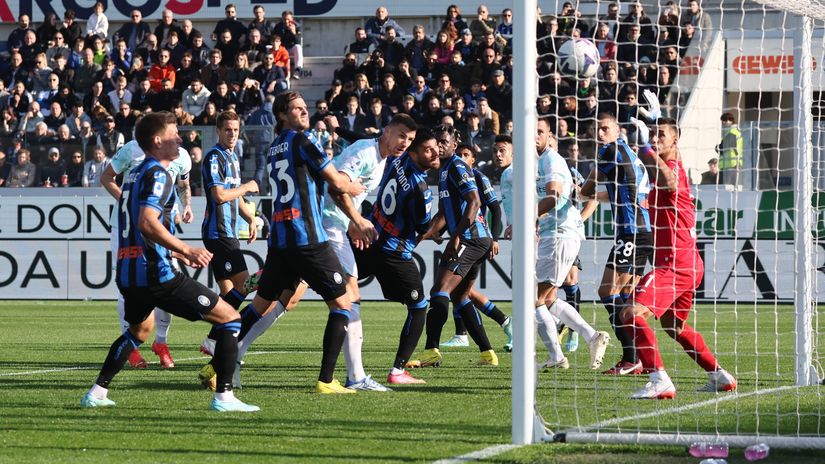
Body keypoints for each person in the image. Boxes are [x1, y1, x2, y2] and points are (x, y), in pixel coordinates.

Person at [80, 111, 258, 412]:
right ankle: (224, 398)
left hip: (129, 272)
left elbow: (138, 229)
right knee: (231, 318)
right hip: (156, 273)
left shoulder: (134, 175)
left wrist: (175, 252)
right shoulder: (157, 173)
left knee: (139, 331)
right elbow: (147, 223)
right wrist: (186, 249)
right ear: (157, 140)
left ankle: (97, 391)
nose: (179, 139)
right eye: (173, 134)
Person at [203, 91, 365, 394]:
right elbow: (336, 181)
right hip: (308, 239)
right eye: (296, 108)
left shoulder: (275, 146)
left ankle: (217, 364)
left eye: (305, 107)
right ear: (281, 114)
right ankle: (327, 380)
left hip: (280, 242)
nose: (304, 112)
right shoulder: (303, 141)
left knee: (259, 305)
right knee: (343, 303)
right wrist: (352, 185)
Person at [620, 117, 736, 399]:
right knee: (674, 326)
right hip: (690, 263)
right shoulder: (674, 165)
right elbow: (667, 166)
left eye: (661, 134)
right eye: (652, 134)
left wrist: (646, 147)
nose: (655, 138)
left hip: (675, 263)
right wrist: (655, 132)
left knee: (630, 314)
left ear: (675, 140)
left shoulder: (670, 172)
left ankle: (659, 379)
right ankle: (719, 376)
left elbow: (669, 179)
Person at [101, 135, 194, 369]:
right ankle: (130, 347)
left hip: (160, 226)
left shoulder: (181, 155)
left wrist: (187, 206)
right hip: (126, 227)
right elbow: (106, 177)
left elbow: (183, 185)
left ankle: (161, 342)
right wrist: (128, 201)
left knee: (167, 281)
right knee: (128, 283)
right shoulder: (133, 148)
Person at [409, 124, 498, 368]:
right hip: (474, 239)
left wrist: (456, 236)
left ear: (454, 145)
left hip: (470, 238)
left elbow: (475, 201)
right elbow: (442, 214)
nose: (439, 146)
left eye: (444, 142)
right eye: (436, 142)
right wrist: (423, 236)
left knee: (439, 290)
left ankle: (431, 351)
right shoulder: (445, 170)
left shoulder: (457, 166)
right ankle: (488, 353)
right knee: (460, 296)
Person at [530, 118, 609, 370]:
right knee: (549, 298)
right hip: (560, 234)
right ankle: (592, 336)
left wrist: (528, 217)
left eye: (539, 132)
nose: (534, 136)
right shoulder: (538, 162)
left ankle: (556, 356)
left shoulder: (550, 160)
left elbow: (554, 196)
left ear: (549, 136)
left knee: (533, 298)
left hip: (559, 235)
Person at [581, 113, 653, 375]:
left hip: (630, 233)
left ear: (617, 130)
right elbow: (613, 193)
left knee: (607, 292)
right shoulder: (630, 154)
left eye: (605, 128)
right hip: (644, 232)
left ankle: (632, 357)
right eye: (597, 129)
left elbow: (587, 191)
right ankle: (639, 357)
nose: (600, 134)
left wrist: (579, 190)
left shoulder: (609, 152)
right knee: (625, 297)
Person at [440, 143, 512, 350]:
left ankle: (464, 334)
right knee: (463, 291)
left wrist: (495, 238)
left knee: (454, 289)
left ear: (473, 159)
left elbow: (495, 209)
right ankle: (502, 323)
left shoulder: (479, 178)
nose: (462, 158)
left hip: (475, 239)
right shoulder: (452, 175)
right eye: (459, 154)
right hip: (464, 237)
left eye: (466, 155)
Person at [199, 111, 260, 337]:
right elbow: (219, 195)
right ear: (218, 131)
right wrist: (247, 186)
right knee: (246, 284)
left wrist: (250, 218)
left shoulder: (233, 157)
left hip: (227, 232)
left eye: (235, 130)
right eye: (227, 130)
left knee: (228, 293)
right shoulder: (215, 158)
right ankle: (214, 337)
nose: (232, 134)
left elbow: (235, 195)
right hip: (219, 233)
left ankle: (219, 340)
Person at [716, 112, 742, 186]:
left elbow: (725, 147)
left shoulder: (732, 132)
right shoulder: (734, 132)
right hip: (733, 164)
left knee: (728, 188)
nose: (723, 124)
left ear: (729, 121)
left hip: (731, 165)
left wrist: (718, 147)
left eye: (724, 121)